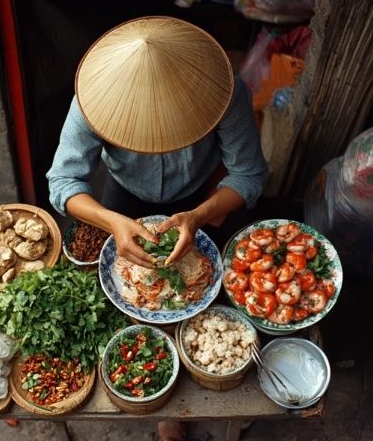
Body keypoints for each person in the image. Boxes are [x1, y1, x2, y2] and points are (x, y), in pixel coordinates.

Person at [47, 16, 268, 270]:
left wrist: (199, 216)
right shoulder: (92, 101)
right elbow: (64, 181)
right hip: (124, 192)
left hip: (199, 194)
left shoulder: (225, 92)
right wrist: (111, 222)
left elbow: (248, 174)